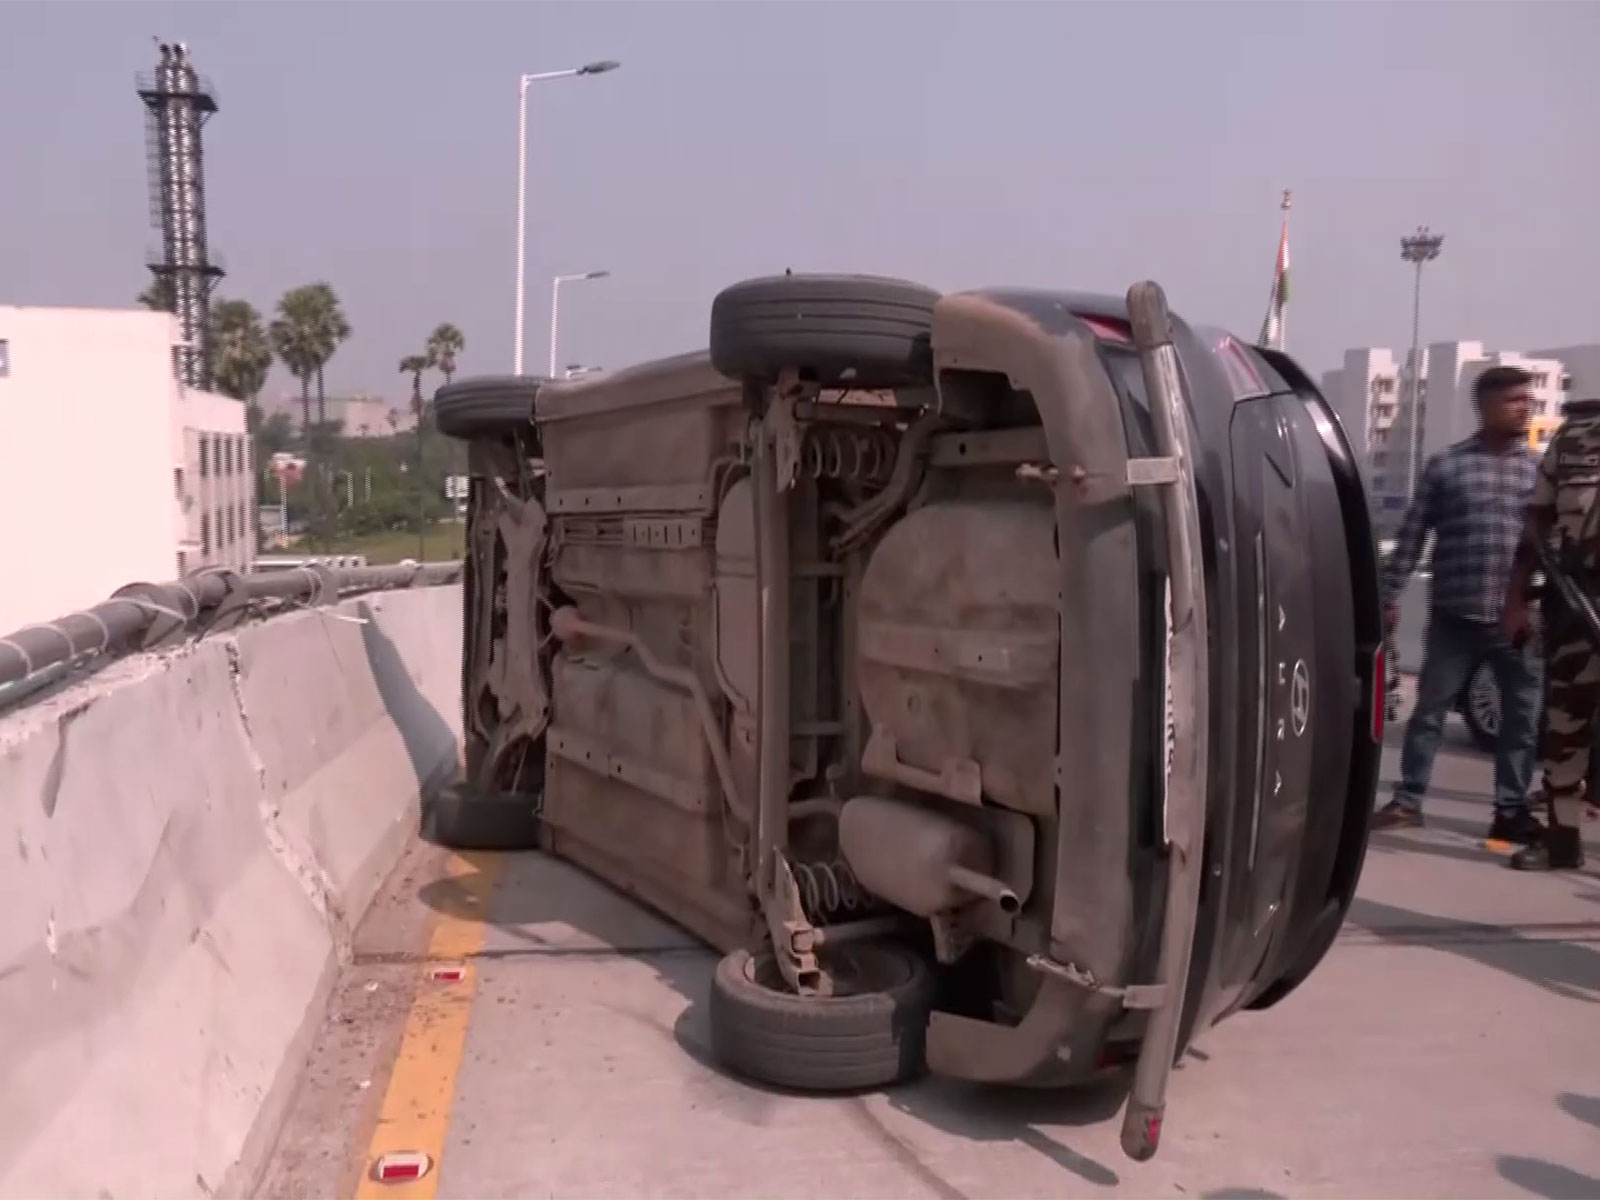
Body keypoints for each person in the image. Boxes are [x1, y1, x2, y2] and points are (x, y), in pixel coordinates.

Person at [1374, 365, 1543, 843]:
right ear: (1485, 407)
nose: (1524, 407)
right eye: (1514, 400)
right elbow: (1411, 536)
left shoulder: (1537, 470)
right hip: (1454, 615)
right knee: (1429, 712)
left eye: (1528, 400)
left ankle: (1509, 810)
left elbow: (1554, 545)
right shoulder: (1445, 467)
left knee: (1522, 719)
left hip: (1519, 622)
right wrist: (1390, 596)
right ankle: (1409, 801)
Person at [1502, 397, 1600, 871]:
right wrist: (1516, 600)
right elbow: (1536, 522)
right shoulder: (1574, 435)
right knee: (1566, 725)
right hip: (1578, 601)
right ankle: (1562, 840)